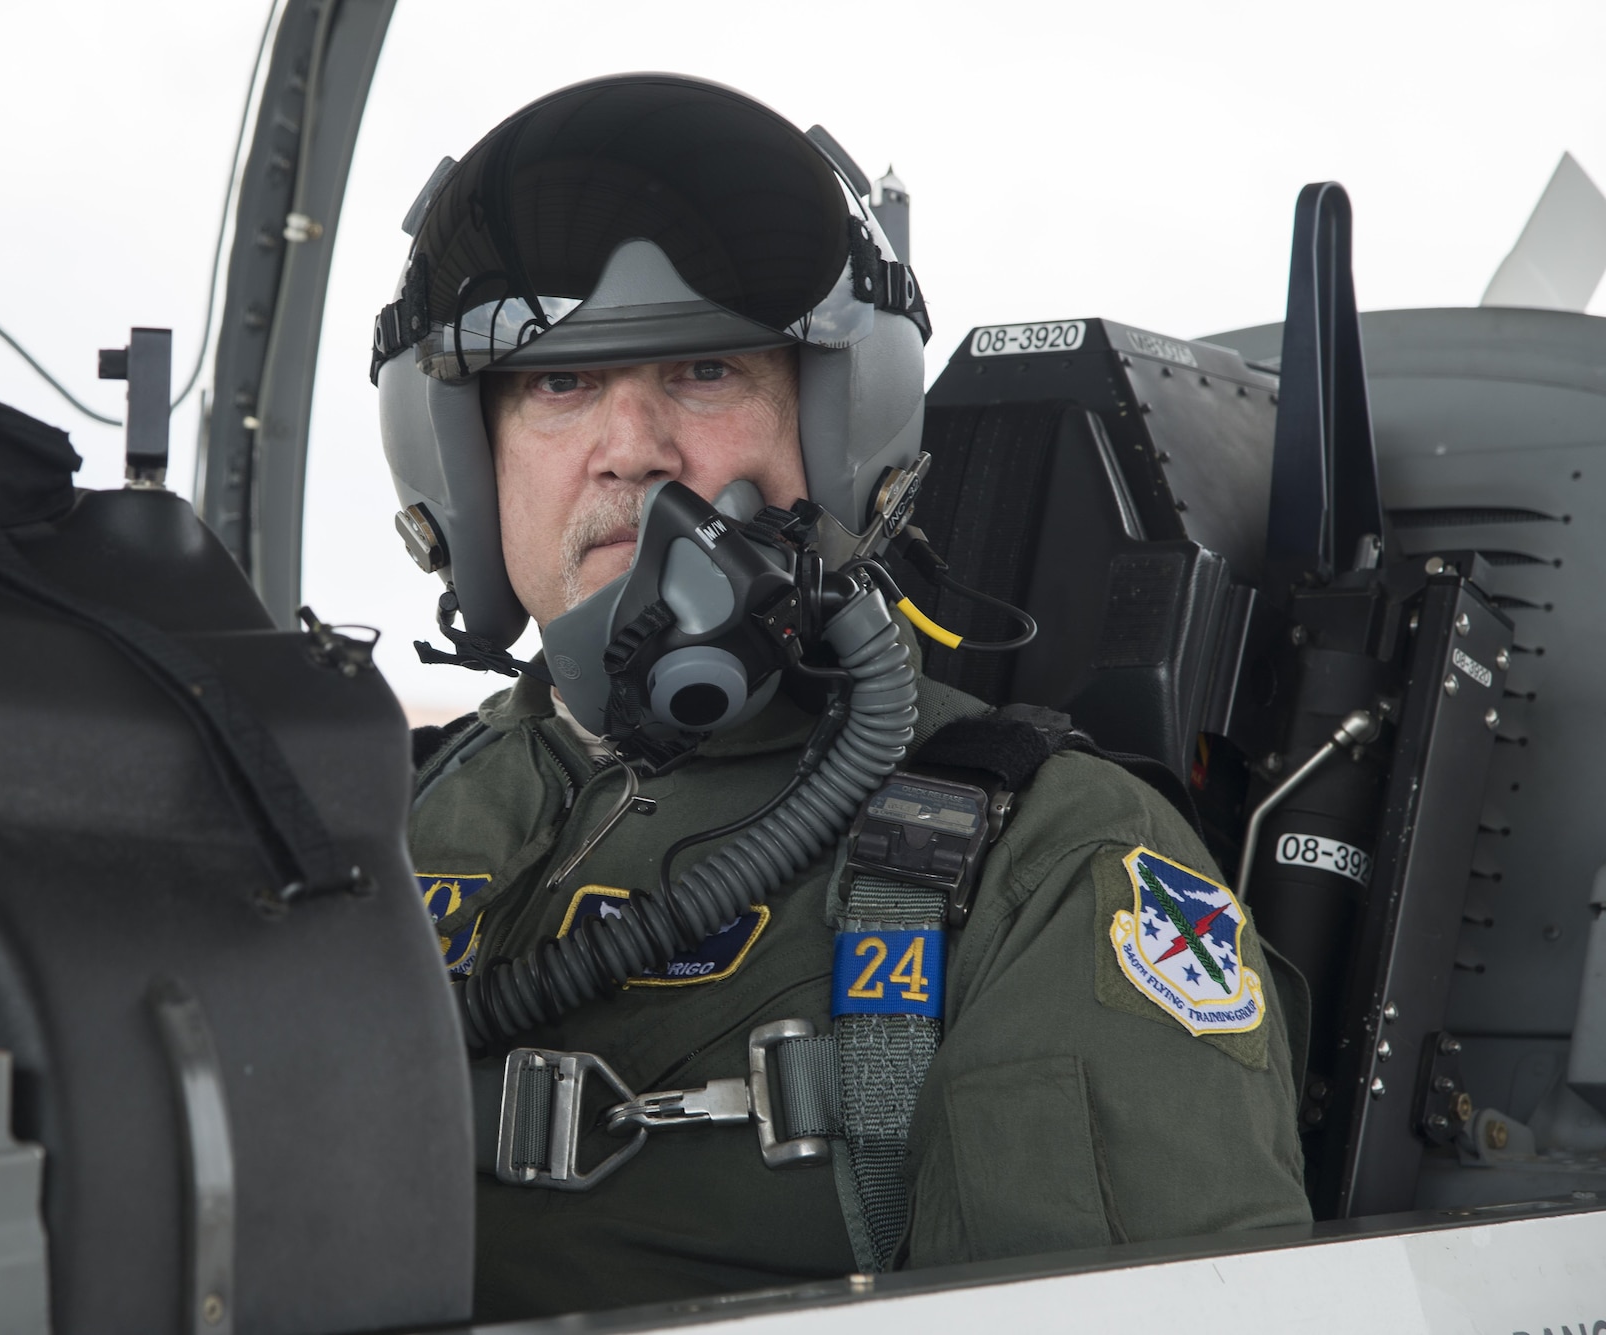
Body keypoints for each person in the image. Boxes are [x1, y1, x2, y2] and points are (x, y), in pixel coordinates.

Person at [371, 73, 1311, 1322]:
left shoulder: (1044, 867)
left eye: (705, 372)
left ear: (835, 434)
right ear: (467, 465)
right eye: (558, 386)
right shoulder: (390, 821)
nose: (632, 443)